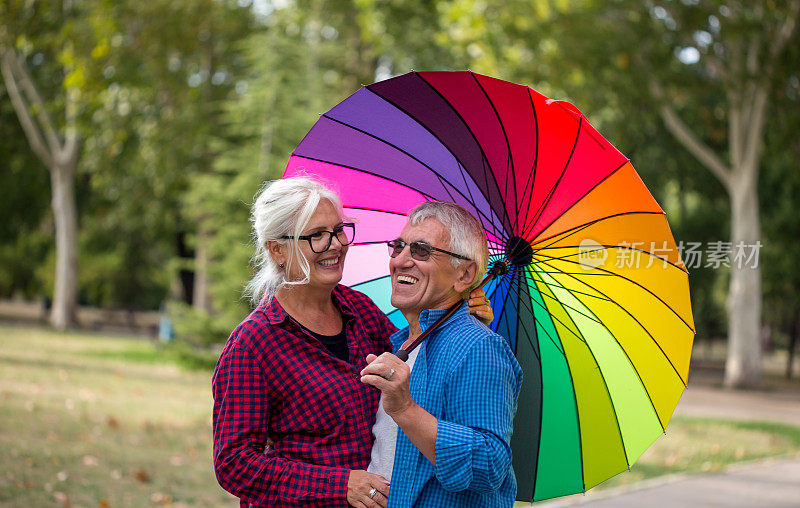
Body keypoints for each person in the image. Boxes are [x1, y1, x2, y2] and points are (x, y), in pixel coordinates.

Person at [212, 177, 492, 508]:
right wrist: (340, 484)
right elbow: (235, 464)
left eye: (339, 230)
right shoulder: (254, 343)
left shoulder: (361, 312)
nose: (336, 244)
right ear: (278, 250)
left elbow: (414, 359)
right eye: (317, 235)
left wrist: (461, 320)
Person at [360, 201, 523, 507]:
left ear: (464, 275)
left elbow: (489, 467)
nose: (401, 260)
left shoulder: (479, 347)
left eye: (421, 250)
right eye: (398, 247)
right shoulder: (397, 345)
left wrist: (405, 409)